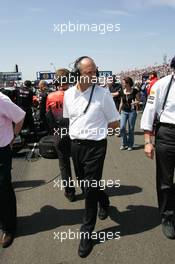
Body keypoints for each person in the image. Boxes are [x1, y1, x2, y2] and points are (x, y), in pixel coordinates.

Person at [63, 56, 120, 258]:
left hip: (96, 147)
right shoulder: (68, 95)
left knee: (89, 188)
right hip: (76, 146)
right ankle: (103, 201)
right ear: (78, 74)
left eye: (95, 71)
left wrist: (98, 132)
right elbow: (71, 120)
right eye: (89, 72)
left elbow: (114, 123)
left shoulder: (103, 94)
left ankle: (86, 231)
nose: (94, 75)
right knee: (87, 186)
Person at [140, 56, 175, 239]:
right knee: (166, 179)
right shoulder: (161, 85)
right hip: (168, 134)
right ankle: (167, 216)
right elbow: (149, 113)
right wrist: (147, 142)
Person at [0, 91, 25, 248]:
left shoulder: (2, 100)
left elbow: (20, 117)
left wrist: (13, 138)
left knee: (3, 188)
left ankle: (9, 228)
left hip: (1, 150)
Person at [46, 69, 76, 201]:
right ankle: (88, 190)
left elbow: (48, 116)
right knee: (80, 163)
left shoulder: (51, 96)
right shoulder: (77, 94)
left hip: (60, 132)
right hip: (76, 132)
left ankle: (69, 192)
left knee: (64, 164)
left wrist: (54, 131)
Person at [119, 77, 140, 151]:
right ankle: (124, 143)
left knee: (131, 129)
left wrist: (135, 102)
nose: (123, 84)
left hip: (132, 112)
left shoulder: (135, 91)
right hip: (124, 111)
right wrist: (119, 111)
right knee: (122, 128)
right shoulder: (122, 91)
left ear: (128, 83)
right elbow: (121, 102)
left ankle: (130, 144)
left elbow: (138, 100)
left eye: (124, 82)